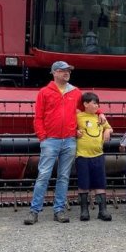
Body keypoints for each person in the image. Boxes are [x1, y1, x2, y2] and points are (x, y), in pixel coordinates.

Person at [25, 61, 81, 225]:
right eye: (63, 70)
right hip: (52, 140)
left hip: (68, 139)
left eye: (68, 70)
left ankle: (57, 210)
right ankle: (35, 210)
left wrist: (99, 112)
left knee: (62, 176)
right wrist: (43, 137)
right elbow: (38, 117)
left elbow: (87, 106)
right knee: (44, 175)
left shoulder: (76, 92)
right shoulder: (44, 92)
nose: (67, 73)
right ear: (54, 73)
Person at [74, 91, 113, 222]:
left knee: (100, 182)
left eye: (98, 104)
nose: (97, 106)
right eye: (94, 103)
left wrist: (107, 130)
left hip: (98, 155)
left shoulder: (100, 117)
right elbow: (69, 127)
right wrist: (75, 131)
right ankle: (84, 211)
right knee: (83, 183)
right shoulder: (78, 117)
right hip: (82, 156)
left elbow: (109, 128)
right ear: (85, 104)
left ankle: (102, 210)